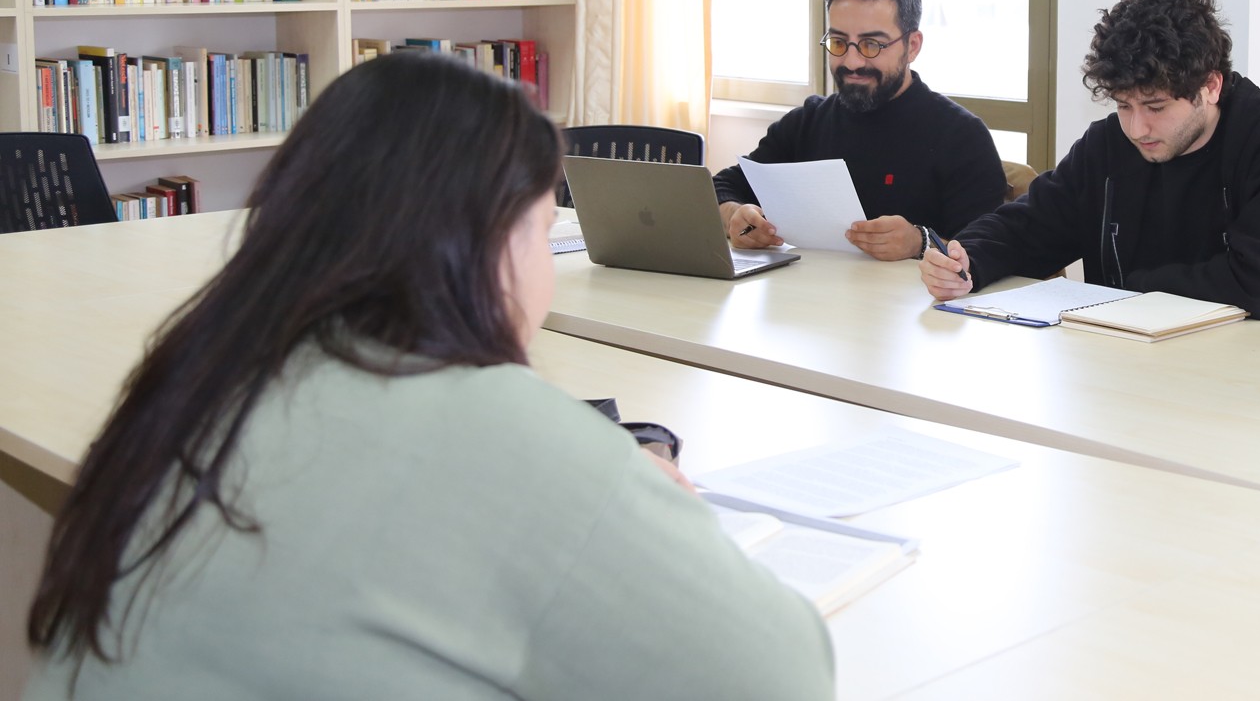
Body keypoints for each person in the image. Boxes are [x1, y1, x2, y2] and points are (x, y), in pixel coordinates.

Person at [25, 53, 834, 700]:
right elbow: (784, 674)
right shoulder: (521, 444)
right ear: (495, 241)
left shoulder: (203, 372)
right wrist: (644, 504)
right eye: (542, 225)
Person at [920, 0, 1260, 324]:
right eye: (1123, 106)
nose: (1137, 129)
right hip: (1130, 357)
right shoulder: (1108, 145)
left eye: (1156, 107)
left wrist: (1126, 291)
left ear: (1210, 86)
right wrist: (967, 259)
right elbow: (1032, 226)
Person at [715, 0, 1008, 260]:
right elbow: (721, 187)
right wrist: (736, 216)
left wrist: (920, 242)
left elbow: (990, 247)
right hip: (809, 288)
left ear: (912, 46)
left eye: (871, 45)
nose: (852, 62)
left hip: (916, 291)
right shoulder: (808, 122)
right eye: (839, 42)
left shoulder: (960, 136)